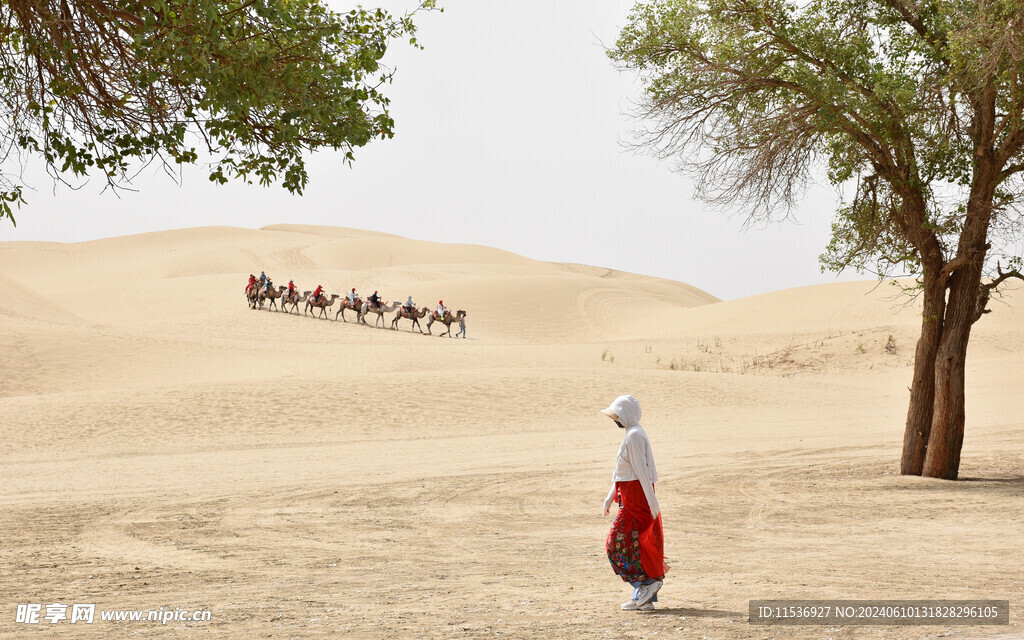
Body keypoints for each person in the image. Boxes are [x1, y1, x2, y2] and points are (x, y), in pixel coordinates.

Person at [601, 394, 667, 611]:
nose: (615, 420)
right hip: (629, 495)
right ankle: (643, 595)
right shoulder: (632, 433)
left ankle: (647, 584)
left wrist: (652, 502)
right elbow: (623, 471)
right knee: (633, 545)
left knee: (616, 544)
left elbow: (640, 470)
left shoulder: (635, 435)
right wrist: (610, 497)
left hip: (636, 498)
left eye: (617, 415)